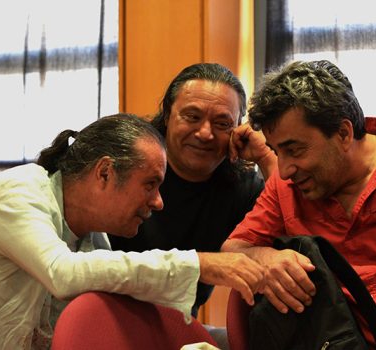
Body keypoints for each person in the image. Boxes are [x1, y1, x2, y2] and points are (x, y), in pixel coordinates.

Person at [0, 114, 266, 350]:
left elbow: (138, 316)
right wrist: (200, 264)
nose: (159, 202)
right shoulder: (19, 191)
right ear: (104, 173)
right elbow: (63, 274)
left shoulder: (92, 240)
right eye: (150, 185)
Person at [221, 60, 376, 348]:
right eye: (276, 152)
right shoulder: (285, 188)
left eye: (294, 150)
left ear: (344, 134)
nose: (283, 169)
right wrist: (267, 259)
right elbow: (234, 250)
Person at [108, 63, 276, 317]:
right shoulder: (127, 161)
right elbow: (84, 263)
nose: (205, 133)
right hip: (106, 318)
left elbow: (297, 234)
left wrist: (266, 156)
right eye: (192, 117)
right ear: (167, 114)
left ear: (238, 128)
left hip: (180, 328)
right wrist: (202, 264)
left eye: (222, 123)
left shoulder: (241, 186)